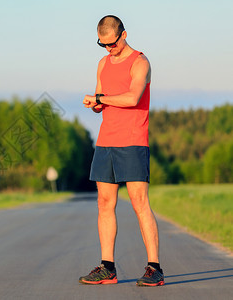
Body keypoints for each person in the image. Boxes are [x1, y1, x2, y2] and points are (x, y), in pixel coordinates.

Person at [79, 15, 164, 287]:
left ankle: (155, 268)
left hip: (133, 140)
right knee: (104, 203)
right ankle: (107, 267)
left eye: (112, 44)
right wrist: (95, 104)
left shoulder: (140, 62)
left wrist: (102, 99)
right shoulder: (103, 63)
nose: (108, 49)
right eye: (102, 45)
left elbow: (132, 97)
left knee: (140, 203)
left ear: (123, 35)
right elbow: (102, 99)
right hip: (106, 141)